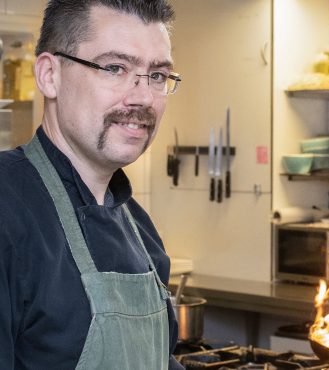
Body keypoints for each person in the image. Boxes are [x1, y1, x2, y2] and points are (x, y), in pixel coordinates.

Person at [0, 0, 184, 369]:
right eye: (115, 68)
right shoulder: (6, 207)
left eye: (158, 76)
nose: (143, 98)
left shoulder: (140, 230)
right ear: (50, 75)